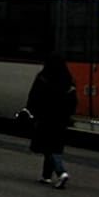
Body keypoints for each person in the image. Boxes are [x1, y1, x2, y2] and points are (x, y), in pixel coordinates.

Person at [25, 53, 76, 188]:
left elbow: (34, 97)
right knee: (54, 146)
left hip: (46, 118)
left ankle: (61, 172)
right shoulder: (68, 80)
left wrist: (31, 112)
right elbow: (73, 101)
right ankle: (46, 176)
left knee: (49, 147)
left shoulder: (43, 78)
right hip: (62, 119)